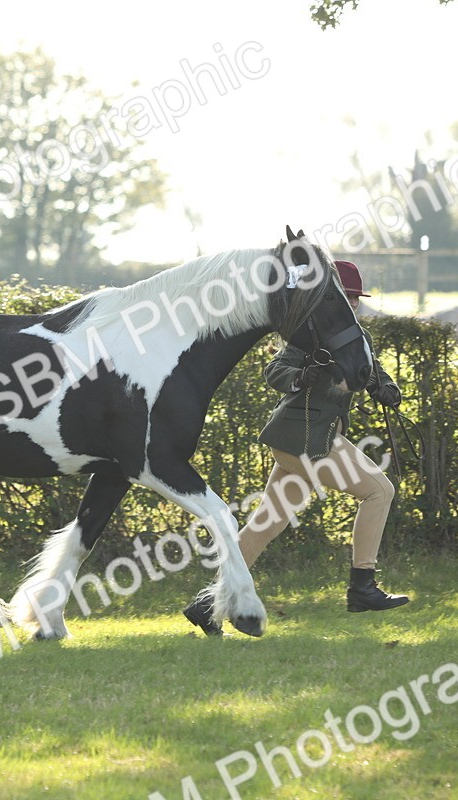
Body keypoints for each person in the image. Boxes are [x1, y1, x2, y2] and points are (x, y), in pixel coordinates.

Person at [184, 260, 409, 636]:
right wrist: (301, 376)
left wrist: (387, 391)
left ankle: (208, 606)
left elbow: (376, 375)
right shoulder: (310, 335)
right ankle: (362, 587)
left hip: (304, 441)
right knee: (379, 491)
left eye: (355, 299)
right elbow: (276, 371)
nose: (352, 305)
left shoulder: (359, 339)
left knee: (266, 525)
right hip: (305, 439)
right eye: (347, 297)